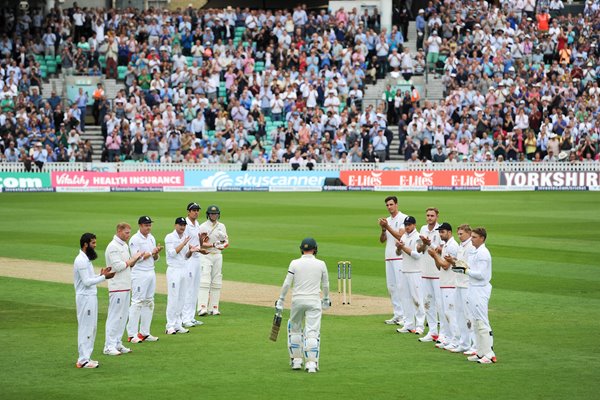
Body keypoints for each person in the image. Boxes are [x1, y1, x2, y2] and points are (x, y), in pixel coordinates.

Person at [276, 238, 330, 373]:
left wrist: (281, 300)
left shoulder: (294, 263)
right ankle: (311, 364)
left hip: (297, 300)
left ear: (301, 249)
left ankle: (297, 361)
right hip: (313, 300)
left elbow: (287, 283)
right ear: (315, 249)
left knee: (294, 329)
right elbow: (325, 284)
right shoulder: (321, 264)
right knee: (312, 332)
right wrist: (326, 299)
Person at [452, 227, 497, 364]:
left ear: (482, 238)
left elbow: (481, 275)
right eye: (471, 237)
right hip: (472, 288)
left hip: (480, 289)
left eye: (475, 237)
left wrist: (465, 271)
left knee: (482, 322)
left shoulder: (483, 253)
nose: (472, 239)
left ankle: (489, 354)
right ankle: (480, 352)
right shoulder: (474, 251)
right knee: (476, 322)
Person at [74, 233, 115, 368]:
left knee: (92, 327)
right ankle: (83, 359)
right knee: (86, 327)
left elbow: (90, 278)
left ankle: (86, 357)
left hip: (90, 296)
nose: (95, 245)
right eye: (93, 243)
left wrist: (101, 274)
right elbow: (86, 282)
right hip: (85, 298)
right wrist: (104, 277)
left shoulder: (86, 259)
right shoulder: (80, 260)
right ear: (85, 244)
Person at [104, 223, 143, 356]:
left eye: (129, 232)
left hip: (126, 285)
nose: (128, 235)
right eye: (126, 233)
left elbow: (128, 266)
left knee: (123, 316)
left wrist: (135, 259)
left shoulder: (124, 245)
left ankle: (117, 343)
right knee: (114, 317)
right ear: (119, 231)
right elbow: (118, 266)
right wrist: (132, 260)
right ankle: (108, 346)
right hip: (117, 287)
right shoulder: (113, 247)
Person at [127, 216, 163, 343]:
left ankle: (144, 333)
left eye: (149, 225)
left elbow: (155, 258)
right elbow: (136, 257)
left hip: (150, 272)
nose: (148, 227)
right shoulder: (135, 239)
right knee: (137, 302)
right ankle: (132, 334)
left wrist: (156, 252)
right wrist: (151, 252)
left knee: (149, 301)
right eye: (146, 225)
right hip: (139, 273)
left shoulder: (151, 237)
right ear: (140, 226)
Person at [426, 222, 460, 351]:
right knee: (446, 313)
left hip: (451, 284)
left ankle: (455, 341)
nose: (440, 234)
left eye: (443, 232)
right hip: (444, 283)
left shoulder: (452, 246)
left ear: (449, 232)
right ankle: (450, 339)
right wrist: (436, 257)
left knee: (451, 313)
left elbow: (446, 266)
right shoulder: (445, 245)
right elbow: (439, 266)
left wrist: (435, 255)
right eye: (440, 232)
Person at [165, 217, 201, 334]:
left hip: (184, 269)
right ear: (175, 225)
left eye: (184, 225)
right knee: (173, 298)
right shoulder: (170, 237)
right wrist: (184, 243)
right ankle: (169, 326)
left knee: (181, 298)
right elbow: (172, 253)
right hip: (174, 270)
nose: (182, 227)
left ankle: (178, 324)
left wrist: (191, 251)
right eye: (180, 225)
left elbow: (185, 256)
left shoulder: (185, 238)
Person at [378, 196, 407, 326]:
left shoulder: (404, 218)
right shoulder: (387, 220)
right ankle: (397, 314)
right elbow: (382, 240)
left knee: (401, 286)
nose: (389, 207)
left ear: (396, 204)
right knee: (391, 287)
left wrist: (387, 226)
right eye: (387, 205)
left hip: (399, 257)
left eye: (391, 204)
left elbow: (400, 236)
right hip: (388, 256)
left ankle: (405, 316)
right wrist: (383, 229)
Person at [394, 216, 425, 334]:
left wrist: (403, 247)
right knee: (405, 299)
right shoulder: (403, 236)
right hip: (405, 270)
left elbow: (417, 255)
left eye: (409, 225)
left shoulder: (418, 237)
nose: (407, 227)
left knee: (417, 299)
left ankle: (420, 326)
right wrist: (398, 248)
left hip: (415, 272)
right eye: (406, 225)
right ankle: (408, 324)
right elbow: (398, 253)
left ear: (414, 225)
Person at [416, 207, 442, 343]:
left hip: (437, 273)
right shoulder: (423, 229)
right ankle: (432, 332)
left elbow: (442, 249)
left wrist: (430, 243)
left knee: (440, 303)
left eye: (432, 215)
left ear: (437, 216)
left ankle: (444, 333)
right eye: (427, 215)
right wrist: (424, 244)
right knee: (428, 303)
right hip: (425, 271)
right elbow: (418, 249)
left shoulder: (441, 230)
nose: (429, 218)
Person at [197, 205, 229, 316]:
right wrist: (213, 244)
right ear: (208, 214)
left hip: (218, 255)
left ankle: (214, 307)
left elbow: (226, 242)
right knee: (205, 280)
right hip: (206, 255)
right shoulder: (202, 227)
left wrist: (222, 245)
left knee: (217, 281)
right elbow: (200, 244)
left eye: (215, 214)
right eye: (211, 214)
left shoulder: (222, 226)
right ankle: (202, 307)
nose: (213, 215)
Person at [182, 202, 206, 328]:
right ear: (188, 211)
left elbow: (198, 242)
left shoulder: (197, 224)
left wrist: (201, 240)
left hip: (197, 258)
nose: (196, 212)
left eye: (197, 210)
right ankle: (185, 318)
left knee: (195, 288)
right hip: (189, 259)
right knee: (189, 289)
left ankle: (191, 317)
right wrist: (197, 249)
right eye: (194, 210)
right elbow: (184, 243)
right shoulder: (185, 225)